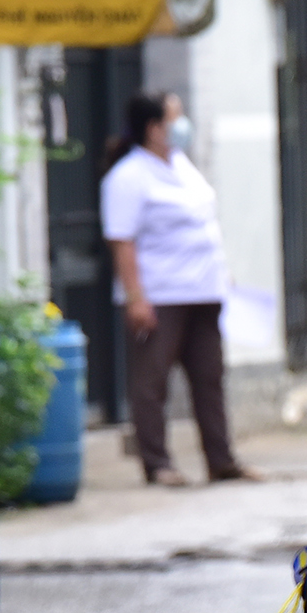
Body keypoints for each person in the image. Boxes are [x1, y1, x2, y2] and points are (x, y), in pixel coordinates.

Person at [100, 90, 259, 487]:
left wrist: (223, 273)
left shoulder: (182, 165)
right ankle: (157, 463)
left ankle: (221, 460)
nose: (182, 124)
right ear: (154, 128)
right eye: (175, 118)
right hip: (161, 293)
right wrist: (136, 296)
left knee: (209, 376)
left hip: (204, 290)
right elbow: (122, 241)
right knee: (151, 381)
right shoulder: (128, 176)